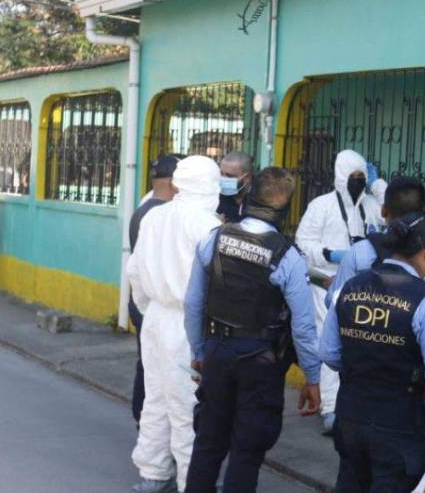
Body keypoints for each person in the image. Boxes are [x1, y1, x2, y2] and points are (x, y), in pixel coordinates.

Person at [184, 167, 322, 493]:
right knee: (247, 451)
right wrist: (313, 378)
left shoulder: (214, 239)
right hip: (260, 361)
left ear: (247, 197)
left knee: (208, 443)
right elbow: (303, 327)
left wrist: (199, 353)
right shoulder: (287, 256)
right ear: (287, 208)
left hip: (217, 350)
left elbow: (193, 304)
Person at [320, 212, 425, 491]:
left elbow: (328, 352)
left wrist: (363, 367)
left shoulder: (348, 289)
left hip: (351, 415)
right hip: (401, 424)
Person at [126, 155, 222, 493]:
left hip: (155, 317)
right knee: (188, 407)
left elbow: (134, 272)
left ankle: (153, 473)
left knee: (157, 398)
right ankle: (190, 482)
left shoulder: (154, 217)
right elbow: (217, 286)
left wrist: (147, 310)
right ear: (210, 185)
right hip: (188, 325)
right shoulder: (208, 227)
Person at [295, 149, 386, 434]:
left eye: (362, 177)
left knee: (359, 347)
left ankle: (354, 406)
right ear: (340, 176)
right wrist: (327, 255)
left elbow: (391, 218)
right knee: (329, 342)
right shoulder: (321, 206)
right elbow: (303, 241)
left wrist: (378, 186)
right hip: (327, 284)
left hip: (363, 286)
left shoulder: (371, 205)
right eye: (353, 176)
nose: (357, 181)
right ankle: (331, 408)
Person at [325, 175, 425, 323]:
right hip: (420, 342)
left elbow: (333, 302)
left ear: (383, 211)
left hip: (365, 339)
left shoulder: (360, 251)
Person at [126, 155, 181, 426]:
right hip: (154, 303)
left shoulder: (143, 208)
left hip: (142, 301)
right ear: (173, 183)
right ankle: (149, 421)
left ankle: (144, 418)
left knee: (147, 361)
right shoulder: (161, 215)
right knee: (158, 368)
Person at [217, 151, 253, 222]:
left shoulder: (260, 199)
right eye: (221, 174)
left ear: (247, 178)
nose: (223, 179)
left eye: (229, 176)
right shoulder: (215, 198)